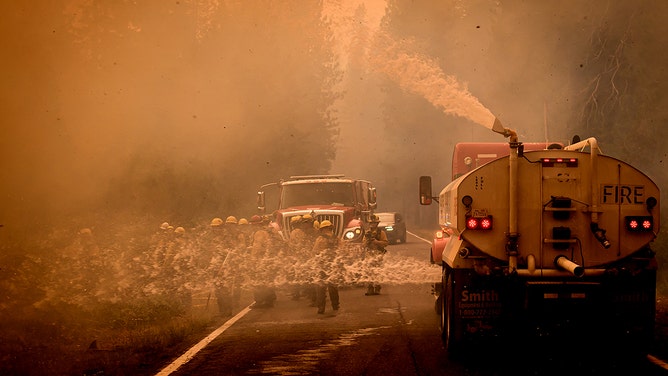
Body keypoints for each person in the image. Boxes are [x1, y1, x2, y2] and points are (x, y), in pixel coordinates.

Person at [312, 220, 341, 314]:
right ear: (331, 228)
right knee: (333, 286)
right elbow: (342, 250)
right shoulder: (337, 238)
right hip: (333, 264)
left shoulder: (320, 239)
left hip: (322, 265)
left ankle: (321, 308)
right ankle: (335, 305)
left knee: (321, 287)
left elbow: (315, 252)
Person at [362, 214, 388, 296]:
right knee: (369, 272)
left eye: (374, 223)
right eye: (371, 223)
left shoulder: (381, 233)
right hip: (369, 255)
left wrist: (377, 242)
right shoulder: (367, 233)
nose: (372, 224)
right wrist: (367, 241)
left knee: (377, 272)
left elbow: (386, 243)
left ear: (377, 223)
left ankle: (377, 288)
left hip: (378, 254)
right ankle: (370, 288)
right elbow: (363, 245)